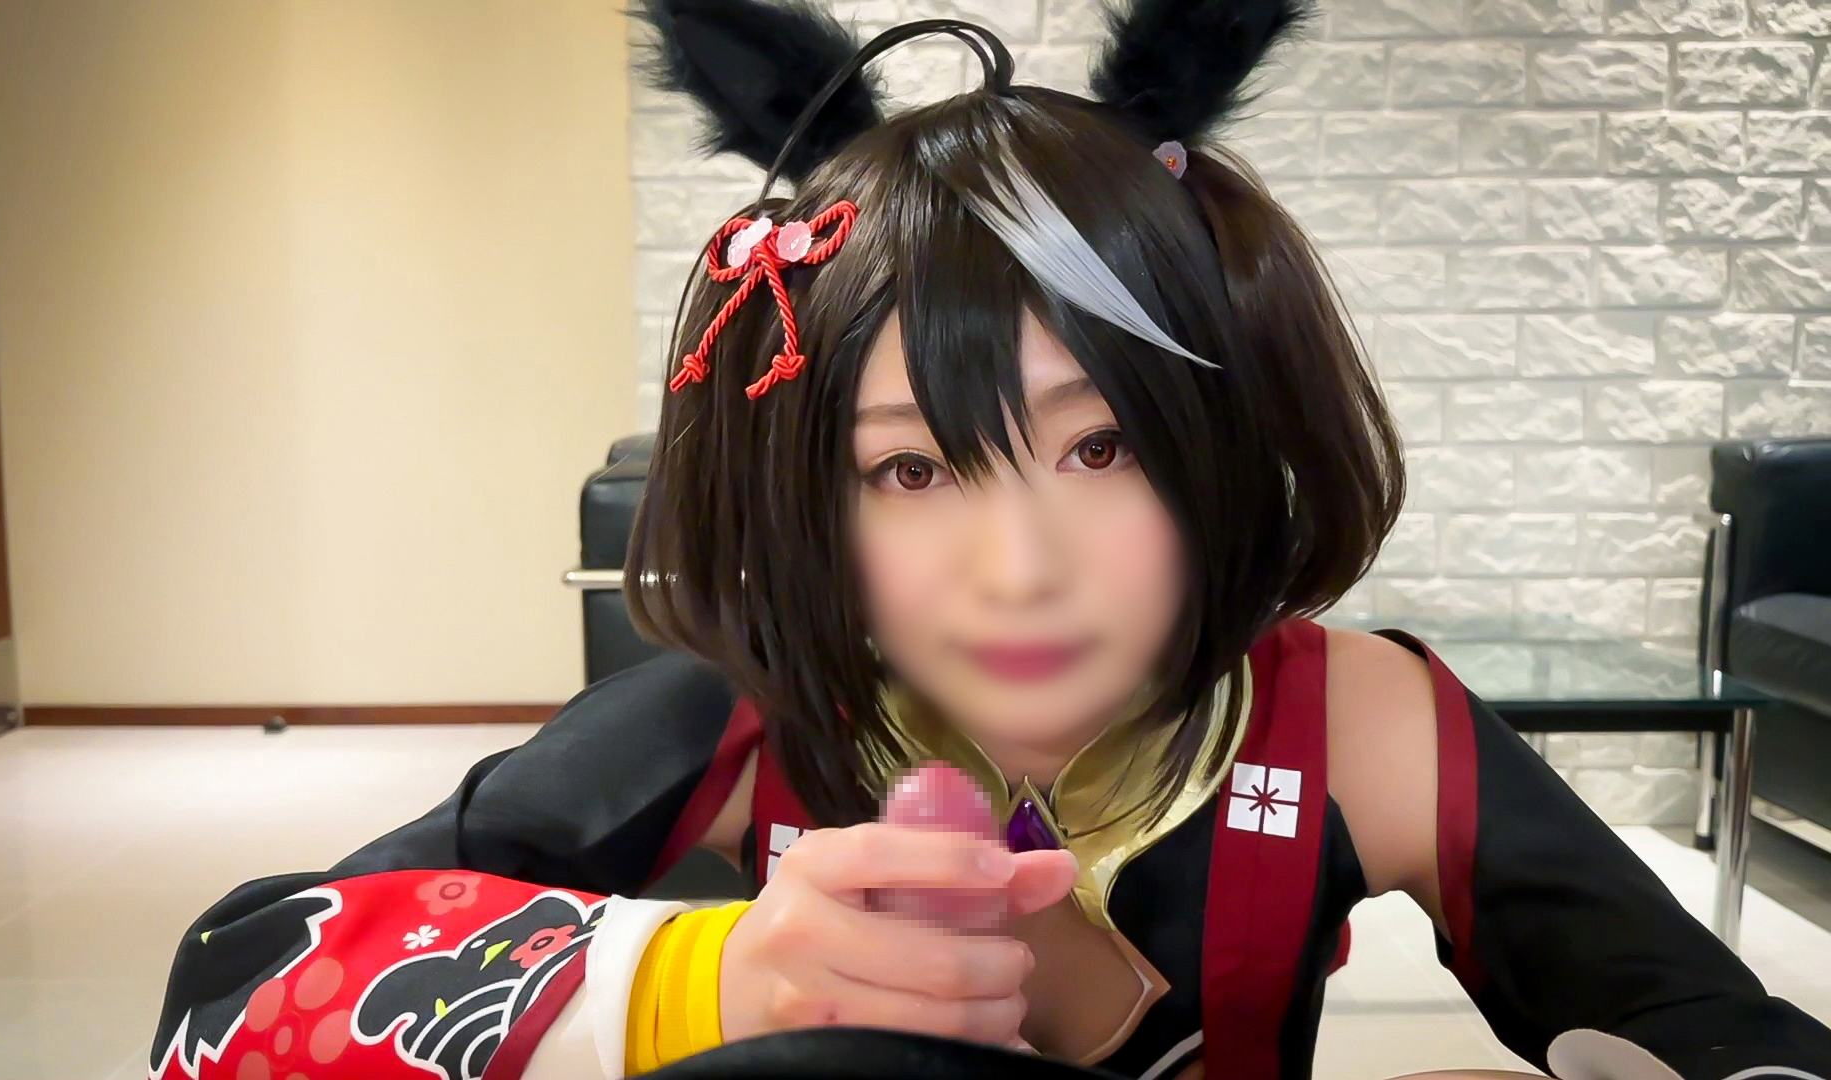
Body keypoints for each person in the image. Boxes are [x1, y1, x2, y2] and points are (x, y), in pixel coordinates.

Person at [145, 2, 1831, 1079]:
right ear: (809, 497)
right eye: (909, 471)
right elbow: (231, 991)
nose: (1022, 567)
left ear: (1225, 437)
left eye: (1105, 446)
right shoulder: (742, 718)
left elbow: (1717, 1028)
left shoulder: (1354, 724)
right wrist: (693, 983)